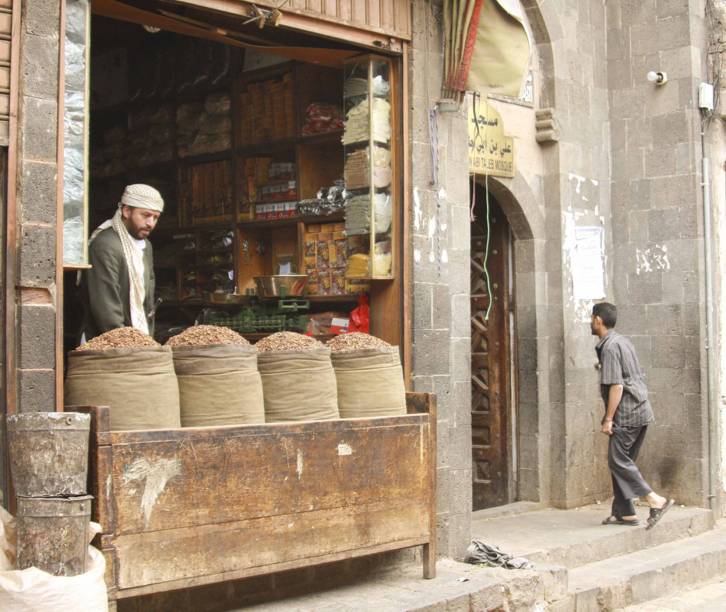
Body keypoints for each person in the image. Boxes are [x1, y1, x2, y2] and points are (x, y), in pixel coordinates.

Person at [591, 302, 674, 529]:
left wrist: (608, 419)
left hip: (626, 415)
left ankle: (655, 500)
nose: (591, 322)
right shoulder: (622, 341)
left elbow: (617, 386)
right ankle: (624, 512)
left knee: (618, 461)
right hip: (641, 411)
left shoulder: (609, 348)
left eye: (591, 318)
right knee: (623, 462)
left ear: (598, 320)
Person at [81, 184, 163, 341]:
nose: (150, 223)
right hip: (106, 342)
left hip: (139, 339)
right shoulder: (105, 245)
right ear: (126, 211)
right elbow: (106, 307)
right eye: (145, 215)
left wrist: (145, 341)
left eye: (155, 217)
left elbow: (147, 299)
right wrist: (125, 343)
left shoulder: (146, 246)